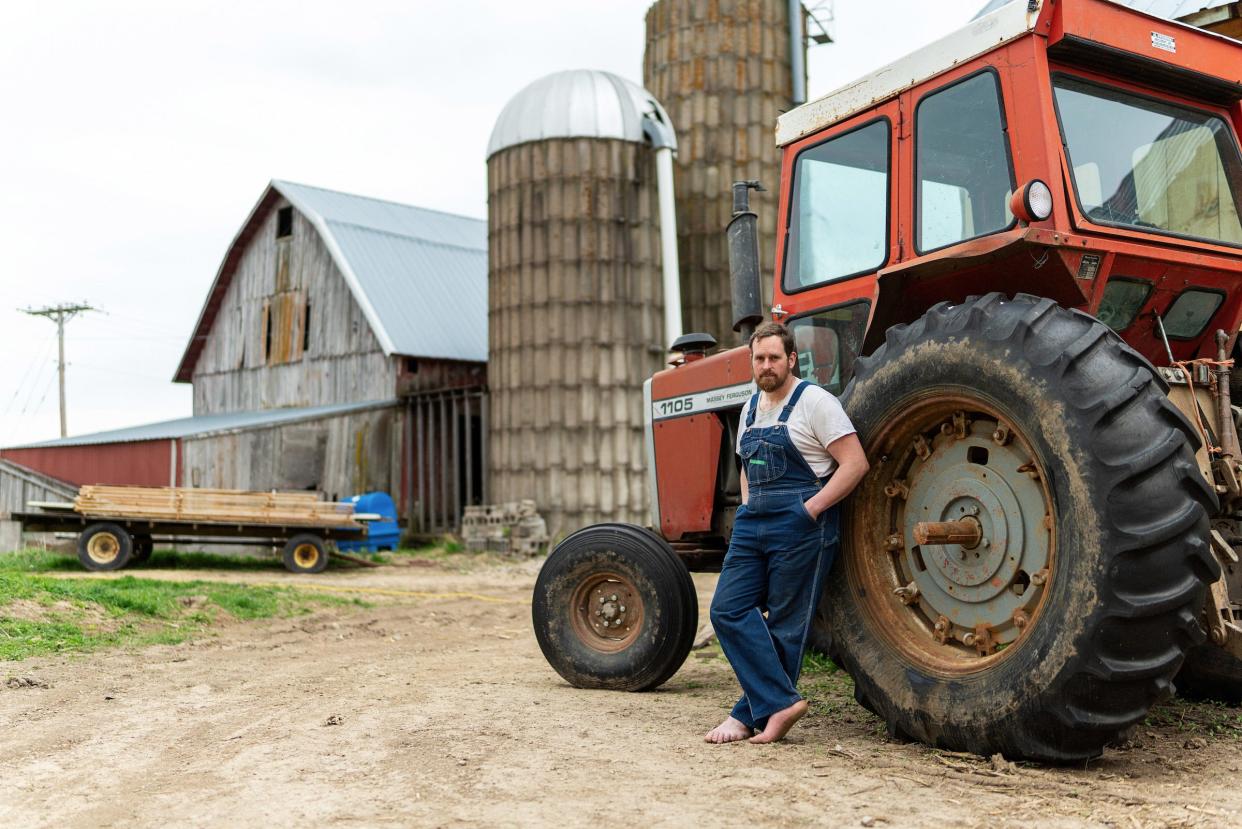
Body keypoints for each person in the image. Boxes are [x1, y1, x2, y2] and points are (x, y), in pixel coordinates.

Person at [705, 321, 869, 745]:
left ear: (791, 359)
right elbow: (746, 467)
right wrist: (745, 508)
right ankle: (780, 701)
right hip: (753, 522)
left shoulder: (815, 402)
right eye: (758, 358)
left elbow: (854, 463)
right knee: (727, 609)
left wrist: (809, 511)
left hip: (799, 523)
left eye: (774, 357)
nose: (766, 366)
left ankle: (748, 716)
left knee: (785, 621)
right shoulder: (749, 408)